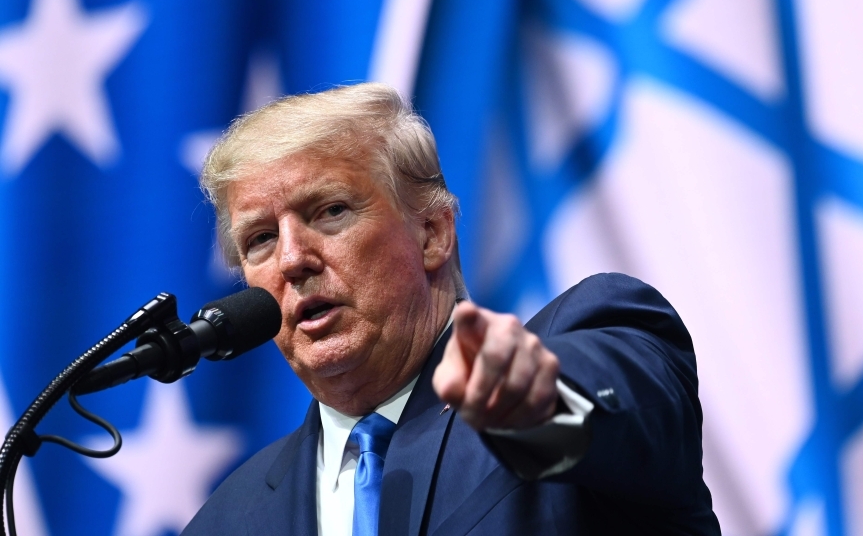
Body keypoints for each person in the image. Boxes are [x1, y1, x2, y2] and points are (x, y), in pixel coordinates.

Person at [182, 82, 721, 536]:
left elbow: (627, 411)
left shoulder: (566, 342)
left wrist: (541, 406)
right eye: (260, 239)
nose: (293, 258)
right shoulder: (227, 520)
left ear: (432, 233)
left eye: (330, 211)